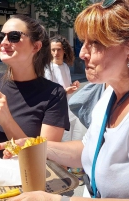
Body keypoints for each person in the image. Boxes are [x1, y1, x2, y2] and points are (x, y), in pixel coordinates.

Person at [0, 0, 129, 200]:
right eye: (84, 42)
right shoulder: (111, 94)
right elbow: (89, 150)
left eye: (95, 44)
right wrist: (33, 146)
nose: (83, 53)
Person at [0, 14, 70, 172]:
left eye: (14, 36)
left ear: (35, 47)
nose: (3, 43)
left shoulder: (54, 94)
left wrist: (7, 121)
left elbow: (46, 158)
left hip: (25, 192)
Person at [44, 35, 85, 184]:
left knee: (67, 138)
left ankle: (67, 171)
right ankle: (59, 174)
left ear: (64, 50)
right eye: (53, 50)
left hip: (66, 107)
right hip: (54, 109)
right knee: (58, 141)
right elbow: (47, 91)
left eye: (59, 50)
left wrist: (72, 86)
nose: (56, 53)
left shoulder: (65, 67)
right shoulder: (48, 68)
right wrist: (63, 91)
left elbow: (64, 86)